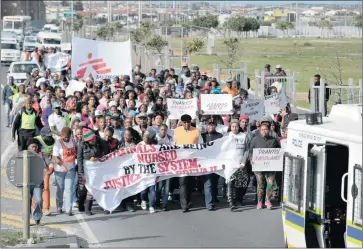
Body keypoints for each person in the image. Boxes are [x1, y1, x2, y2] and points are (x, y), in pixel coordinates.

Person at [174, 114, 203, 213]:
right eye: (185, 122)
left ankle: (189, 200)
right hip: (181, 162)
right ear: (181, 123)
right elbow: (172, 146)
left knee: (190, 183)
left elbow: (201, 145)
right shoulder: (176, 131)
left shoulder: (196, 131)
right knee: (183, 183)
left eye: (188, 122)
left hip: (193, 161)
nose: (186, 124)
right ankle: (184, 205)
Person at [249, 121, 280, 210]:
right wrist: (251, 159)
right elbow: (250, 151)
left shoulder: (273, 140)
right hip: (258, 167)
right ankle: (259, 202)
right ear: (259, 130)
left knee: (270, 184)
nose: (264, 131)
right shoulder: (255, 140)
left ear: (269, 130)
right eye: (262, 130)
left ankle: (268, 201)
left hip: (270, 166)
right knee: (260, 184)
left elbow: (278, 151)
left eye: (265, 129)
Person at [77, 128, 108, 215]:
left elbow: (105, 149)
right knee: (83, 189)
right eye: (91, 140)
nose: (93, 140)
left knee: (93, 189)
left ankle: (89, 208)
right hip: (84, 170)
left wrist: (100, 156)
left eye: (94, 138)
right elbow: (79, 160)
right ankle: (81, 204)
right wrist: (81, 173)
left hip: (96, 170)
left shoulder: (98, 142)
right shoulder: (81, 145)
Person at [52, 127, 77, 216]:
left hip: (71, 169)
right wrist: (63, 166)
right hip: (60, 169)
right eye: (64, 137)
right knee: (60, 188)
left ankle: (68, 209)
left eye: (67, 137)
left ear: (70, 135)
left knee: (69, 189)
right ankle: (59, 206)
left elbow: (76, 154)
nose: (66, 139)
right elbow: (55, 157)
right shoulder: (58, 142)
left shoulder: (74, 141)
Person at [201, 122, 223, 211]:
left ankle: (213, 198)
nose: (211, 127)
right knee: (208, 183)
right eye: (209, 125)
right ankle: (209, 204)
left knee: (214, 182)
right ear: (206, 126)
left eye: (213, 125)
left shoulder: (219, 135)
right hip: (206, 163)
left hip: (216, 162)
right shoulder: (202, 136)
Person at [26, 138, 47, 225]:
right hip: (26, 183)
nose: (34, 149)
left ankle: (37, 217)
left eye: (35, 147)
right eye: (32, 147)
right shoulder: (24, 155)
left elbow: (48, 162)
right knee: (27, 201)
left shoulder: (41, 155)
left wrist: (50, 164)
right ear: (28, 147)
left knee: (38, 200)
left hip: (38, 183)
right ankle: (26, 219)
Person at [35, 127, 55, 216]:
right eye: (48, 136)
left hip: (46, 166)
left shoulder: (53, 141)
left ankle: (46, 208)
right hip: (35, 167)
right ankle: (34, 207)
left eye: (50, 135)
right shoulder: (36, 141)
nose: (50, 137)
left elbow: (52, 154)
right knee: (34, 188)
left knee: (46, 187)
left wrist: (51, 164)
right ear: (42, 136)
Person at [139, 127, 158, 214]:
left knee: (152, 189)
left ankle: (151, 206)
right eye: (144, 135)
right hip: (142, 171)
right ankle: (143, 200)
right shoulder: (139, 145)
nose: (145, 137)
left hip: (152, 171)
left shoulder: (154, 147)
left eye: (147, 136)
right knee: (143, 190)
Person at [155, 124, 174, 211]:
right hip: (158, 166)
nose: (163, 131)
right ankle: (157, 201)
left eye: (165, 130)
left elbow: (174, 149)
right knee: (159, 187)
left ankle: (164, 204)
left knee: (166, 186)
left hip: (168, 166)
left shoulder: (170, 138)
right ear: (159, 130)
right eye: (162, 129)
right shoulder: (155, 138)